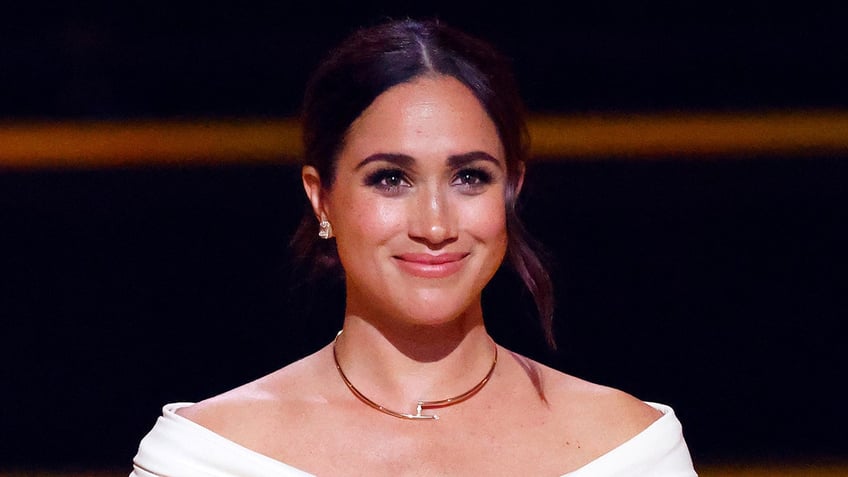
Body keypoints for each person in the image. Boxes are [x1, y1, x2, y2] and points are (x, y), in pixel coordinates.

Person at [130, 18, 697, 476]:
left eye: (469, 177)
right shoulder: (207, 457)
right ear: (321, 197)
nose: (434, 225)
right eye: (390, 178)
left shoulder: (627, 451)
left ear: (512, 190)